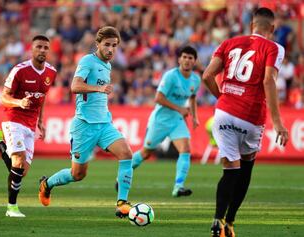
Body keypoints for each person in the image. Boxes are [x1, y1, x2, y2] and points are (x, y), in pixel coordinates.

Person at [202, 8, 289, 237]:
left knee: (229, 169)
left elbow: (207, 75)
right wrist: (278, 123)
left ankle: (216, 220)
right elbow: (268, 81)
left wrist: (223, 98)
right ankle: (230, 222)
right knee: (246, 167)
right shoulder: (274, 48)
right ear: (272, 28)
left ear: (252, 25)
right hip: (250, 116)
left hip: (223, 114)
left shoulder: (229, 42)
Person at [37, 26, 134, 218]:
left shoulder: (108, 65)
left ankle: (122, 203)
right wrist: (99, 89)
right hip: (84, 126)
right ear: (97, 44)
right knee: (77, 175)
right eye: (107, 45)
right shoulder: (87, 61)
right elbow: (75, 86)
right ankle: (46, 184)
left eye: (114, 46)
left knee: (126, 153)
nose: (111, 49)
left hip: (104, 124)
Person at [0, 35, 57, 218]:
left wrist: (41, 121)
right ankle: (11, 207)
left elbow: (42, 97)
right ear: (32, 48)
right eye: (39, 47)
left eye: (46, 47)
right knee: (19, 162)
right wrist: (20, 102)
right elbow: (3, 97)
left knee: (21, 171)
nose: (43, 50)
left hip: (30, 123)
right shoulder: (19, 70)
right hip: (13, 118)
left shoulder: (51, 72)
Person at [130, 46, 200, 197]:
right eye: (185, 57)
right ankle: (123, 174)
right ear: (179, 59)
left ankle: (178, 186)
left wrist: (194, 117)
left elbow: (193, 97)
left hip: (176, 121)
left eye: (190, 58)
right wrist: (179, 108)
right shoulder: (171, 76)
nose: (187, 60)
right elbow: (158, 98)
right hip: (160, 120)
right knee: (146, 153)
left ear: (194, 61)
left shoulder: (196, 79)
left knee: (185, 149)